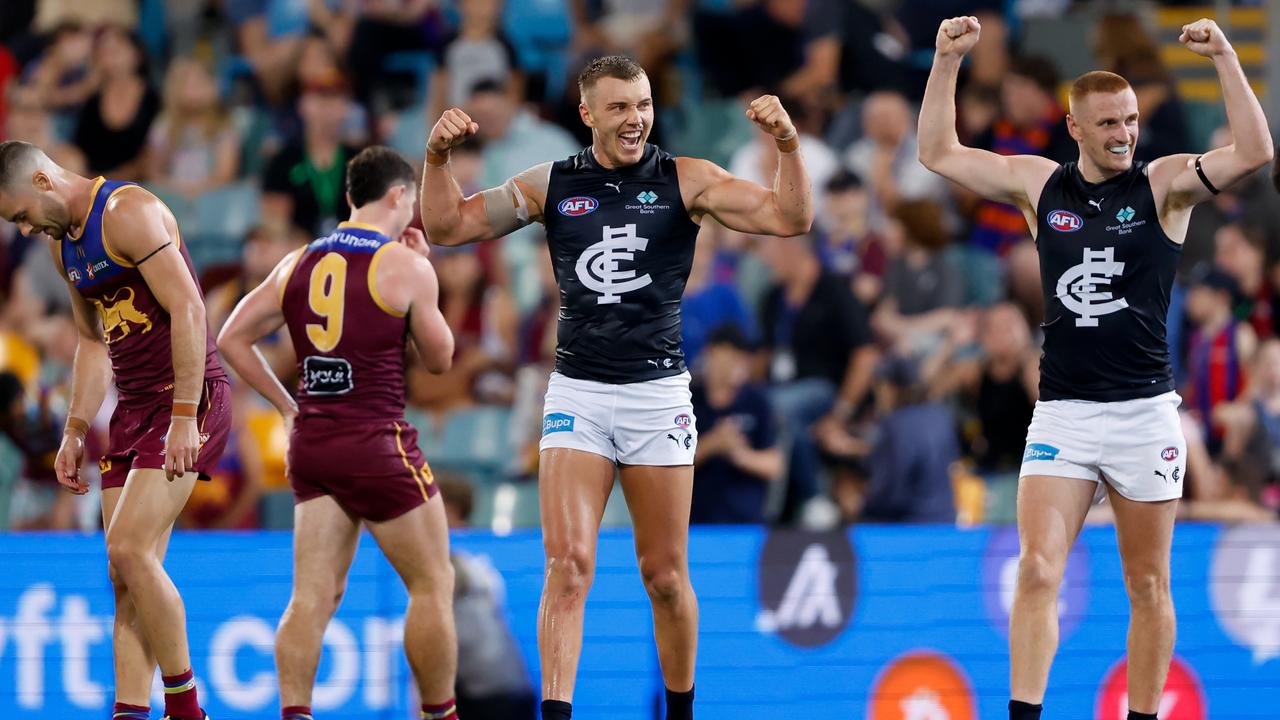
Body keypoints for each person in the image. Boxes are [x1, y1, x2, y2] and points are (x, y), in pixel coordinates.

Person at [421, 55, 813, 720]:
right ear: (587, 115)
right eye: (620, 107)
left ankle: (682, 710)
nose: (635, 120)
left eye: (643, 104)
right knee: (568, 568)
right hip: (578, 393)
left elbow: (790, 218)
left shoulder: (687, 179)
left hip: (657, 397)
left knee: (664, 578)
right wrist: (434, 159)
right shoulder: (550, 185)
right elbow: (447, 227)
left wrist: (787, 145)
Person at [918, 15, 1273, 720]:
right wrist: (947, 60)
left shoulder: (1166, 185)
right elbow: (938, 151)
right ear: (1074, 127)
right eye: (1108, 121)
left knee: (1147, 586)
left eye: (1132, 119)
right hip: (1064, 413)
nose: (1124, 133)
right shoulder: (1039, 185)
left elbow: (1256, 150)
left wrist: (1227, 56)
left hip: (1145, 414)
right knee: (1039, 570)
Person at [217, 146, 460, 720]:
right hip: (376, 441)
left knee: (312, 596)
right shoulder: (403, 262)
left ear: (351, 197)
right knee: (432, 583)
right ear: (398, 195)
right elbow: (441, 360)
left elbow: (230, 337)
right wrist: (427, 279)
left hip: (314, 443)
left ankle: (295, 712)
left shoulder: (297, 260)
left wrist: (285, 406)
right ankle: (439, 713)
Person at [0, 140, 233, 720]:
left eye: (22, 216)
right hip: (131, 409)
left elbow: (189, 309)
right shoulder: (64, 249)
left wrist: (183, 417)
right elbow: (90, 340)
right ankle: (129, 710)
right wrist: (75, 430)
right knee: (125, 572)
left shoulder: (129, 213)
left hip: (187, 399)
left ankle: (185, 707)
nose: (26, 231)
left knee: (127, 546)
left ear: (44, 182)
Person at [689, 325, 782, 524]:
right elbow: (669, 462)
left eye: (743, 358)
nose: (738, 364)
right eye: (732, 356)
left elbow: (774, 465)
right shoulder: (689, 398)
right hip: (694, 522)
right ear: (711, 353)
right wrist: (712, 443)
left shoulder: (755, 401)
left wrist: (740, 455)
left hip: (745, 523)